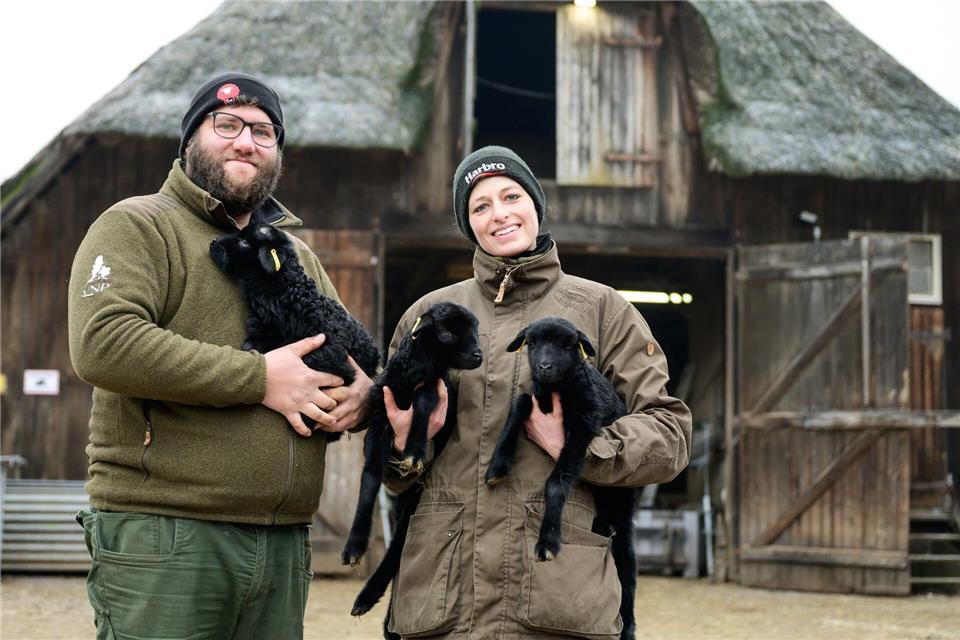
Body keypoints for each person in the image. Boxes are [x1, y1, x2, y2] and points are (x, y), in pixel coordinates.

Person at [68, 72, 373, 640]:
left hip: (282, 540)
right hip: (168, 532)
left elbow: (345, 355)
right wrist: (259, 378)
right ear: (190, 141)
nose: (245, 141)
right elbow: (103, 343)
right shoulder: (138, 225)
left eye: (263, 132)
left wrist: (361, 394)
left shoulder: (296, 255)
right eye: (226, 125)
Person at [380, 146, 692, 639]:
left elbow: (669, 434)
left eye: (511, 196)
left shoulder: (601, 308)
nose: (499, 213)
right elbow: (394, 472)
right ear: (469, 224)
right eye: (480, 206)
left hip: (555, 595)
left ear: (536, 204)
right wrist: (403, 442)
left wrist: (578, 448)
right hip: (441, 599)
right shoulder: (431, 314)